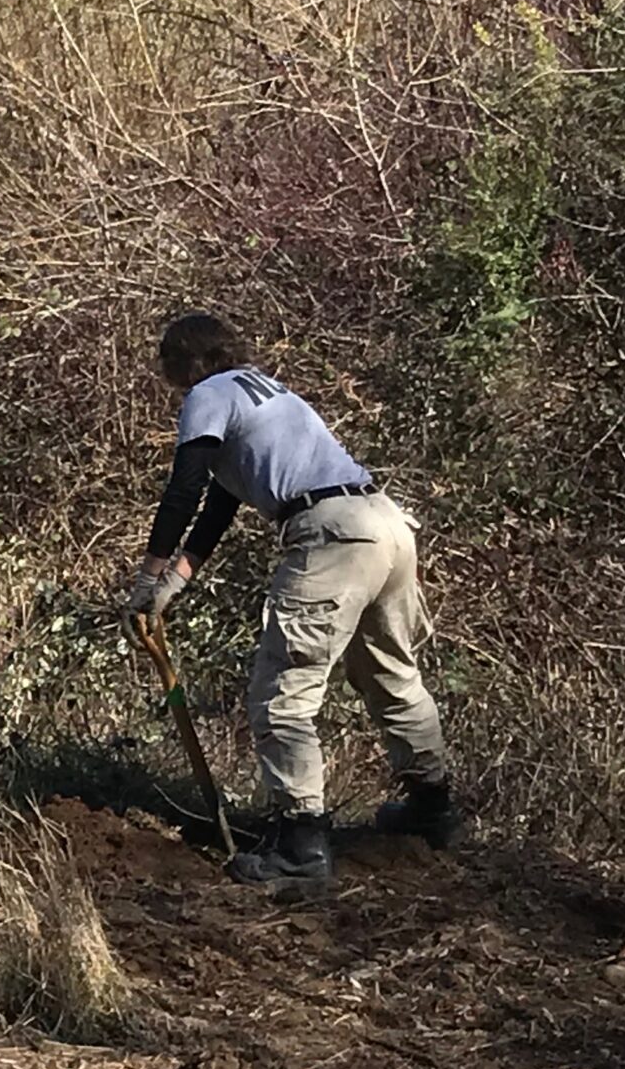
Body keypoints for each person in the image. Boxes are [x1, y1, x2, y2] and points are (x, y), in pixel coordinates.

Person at [126, 312, 457, 887]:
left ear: (185, 360)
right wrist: (174, 581)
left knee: (282, 693)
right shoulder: (262, 392)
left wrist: (144, 579)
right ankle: (434, 809)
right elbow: (219, 505)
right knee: (391, 673)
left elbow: (185, 488)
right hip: (384, 523)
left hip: (332, 535)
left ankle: (301, 848)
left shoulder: (207, 394)